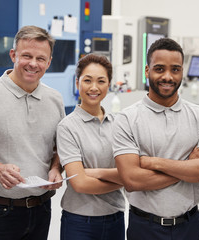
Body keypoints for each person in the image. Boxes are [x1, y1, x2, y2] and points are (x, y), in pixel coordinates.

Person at [0, 25, 65, 240]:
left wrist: (56, 167)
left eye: (41, 58)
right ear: (13, 55)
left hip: (42, 208)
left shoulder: (55, 99)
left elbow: (59, 146)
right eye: (26, 56)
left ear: (49, 62)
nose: (33, 64)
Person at [113, 38, 199, 240]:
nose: (168, 77)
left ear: (182, 71)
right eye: (160, 69)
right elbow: (132, 179)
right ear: (147, 71)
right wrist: (189, 165)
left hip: (190, 226)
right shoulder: (127, 119)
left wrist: (154, 163)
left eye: (175, 69)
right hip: (144, 228)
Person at [56, 54, 125, 240]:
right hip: (79, 222)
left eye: (101, 81)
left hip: (115, 217)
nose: (94, 87)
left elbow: (133, 171)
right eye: (87, 80)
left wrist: (95, 173)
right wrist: (125, 179)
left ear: (108, 84)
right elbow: (80, 183)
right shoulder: (67, 127)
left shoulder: (119, 124)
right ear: (78, 82)